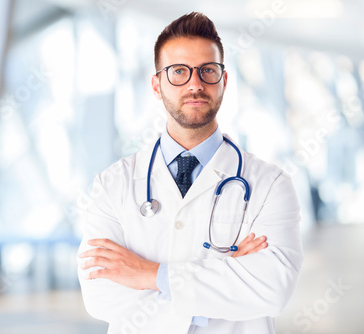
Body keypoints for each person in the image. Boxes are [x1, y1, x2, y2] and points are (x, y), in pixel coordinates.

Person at [77, 12, 303, 334]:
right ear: (157, 85)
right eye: (179, 71)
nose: (195, 84)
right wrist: (226, 274)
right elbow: (100, 295)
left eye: (207, 71)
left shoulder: (270, 185)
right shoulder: (113, 184)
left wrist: (149, 274)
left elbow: (272, 288)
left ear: (223, 81)